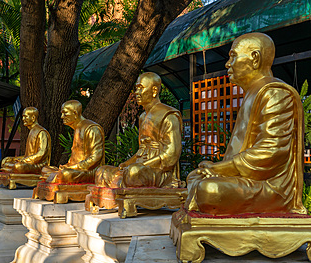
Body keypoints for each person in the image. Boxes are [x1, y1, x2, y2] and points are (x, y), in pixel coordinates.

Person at [185, 32, 307, 215]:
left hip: (269, 186)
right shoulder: (253, 93)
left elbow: (272, 152)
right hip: (246, 179)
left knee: (209, 190)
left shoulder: (274, 92)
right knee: (195, 178)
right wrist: (219, 170)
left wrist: (223, 168)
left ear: (255, 58)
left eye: (233, 56)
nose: (227, 64)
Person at [95, 72, 182, 188]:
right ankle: (122, 183)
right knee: (102, 171)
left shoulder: (169, 116)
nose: (136, 93)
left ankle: (123, 183)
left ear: (154, 91)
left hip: (159, 171)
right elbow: (141, 151)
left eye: (140, 88)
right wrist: (126, 164)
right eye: (136, 89)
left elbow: (171, 155)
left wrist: (143, 165)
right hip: (140, 167)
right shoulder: (142, 117)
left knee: (133, 173)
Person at [42, 100, 105, 184]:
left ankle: (57, 176)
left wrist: (74, 167)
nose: (62, 116)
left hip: (89, 171)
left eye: (65, 113)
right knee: (45, 169)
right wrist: (67, 166)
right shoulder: (77, 129)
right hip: (74, 169)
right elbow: (75, 158)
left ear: (75, 113)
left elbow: (95, 158)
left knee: (65, 174)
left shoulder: (92, 129)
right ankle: (56, 176)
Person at [1, 107, 51, 174]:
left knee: (18, 167)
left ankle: (13, 170)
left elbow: (41, 153)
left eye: (25, 117)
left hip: (38, 165)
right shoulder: (32, 131)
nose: (23, 119)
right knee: (6, 162)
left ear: (33, 118)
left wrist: (24, 160)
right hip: (29, 163)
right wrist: (14, 159)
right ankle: (12, 169)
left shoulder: (41, 132)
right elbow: (28, 155)